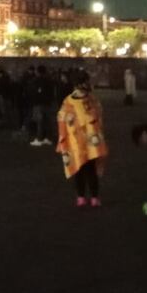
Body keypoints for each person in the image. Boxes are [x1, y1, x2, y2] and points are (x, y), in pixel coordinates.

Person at [55, 75, 108, 207]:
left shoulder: (68, 102)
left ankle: (81, 197)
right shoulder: (92, 100)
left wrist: (62, 139)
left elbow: (61, 120)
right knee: (91, 171)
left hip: (75, 143)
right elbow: (99, 117)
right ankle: (95, 198)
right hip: (91, 143)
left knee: (78, 170)